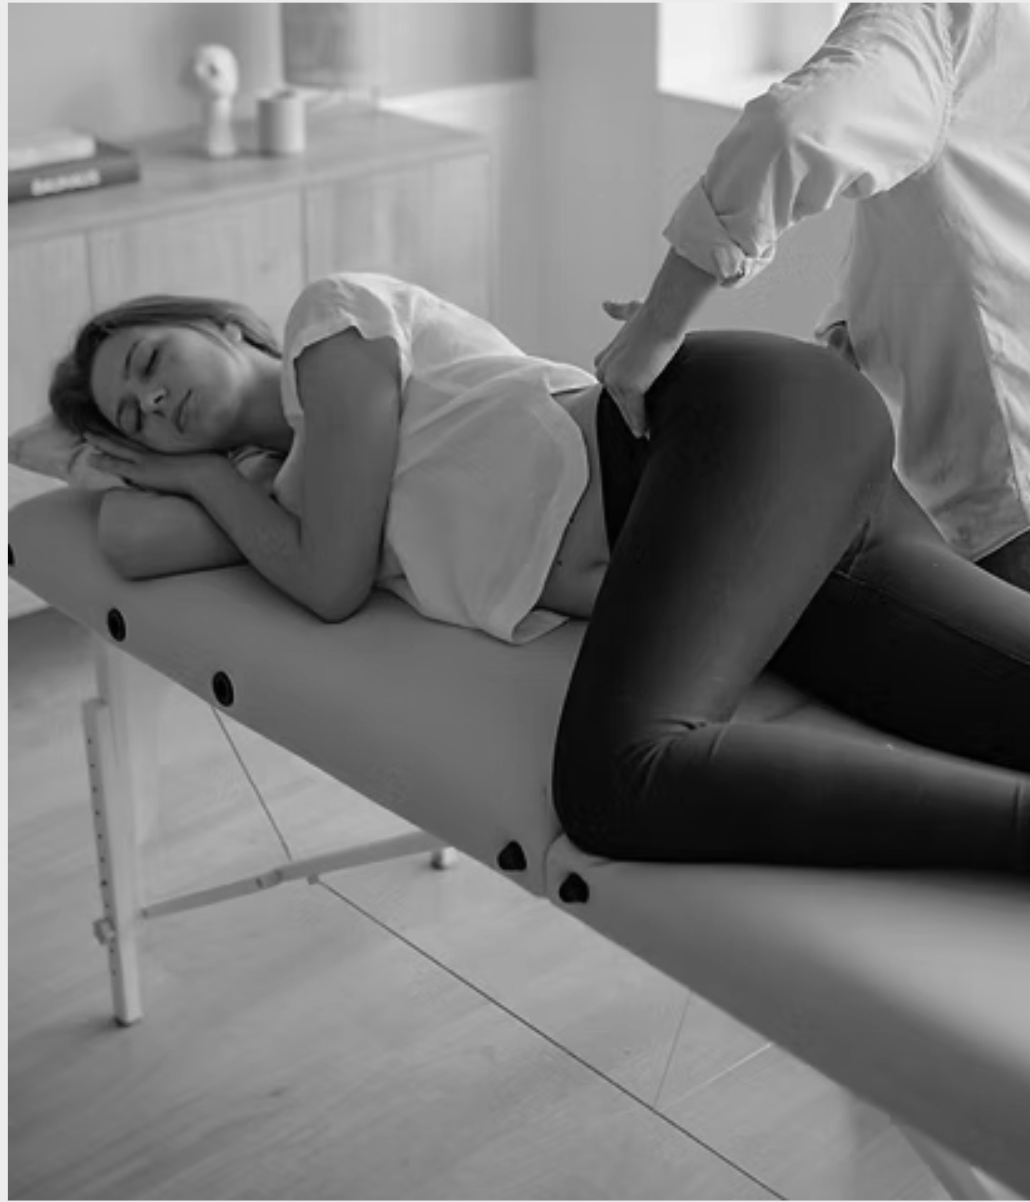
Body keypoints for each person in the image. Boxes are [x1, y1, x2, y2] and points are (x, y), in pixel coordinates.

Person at [50, 273, 1030, 874]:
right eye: (131, 418)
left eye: (147, 359)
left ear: (221, 325)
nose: (153, 400)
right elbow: (132, 540)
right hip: (746, 529)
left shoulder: (331, 331)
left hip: (716, 432)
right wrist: (201, 477)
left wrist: (203, 479)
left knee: (618, 778)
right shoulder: (285, 495)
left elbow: (331, 582)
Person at [596, 3, 1030, 591]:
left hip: (1007, 492)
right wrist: (852, 332)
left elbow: (792, 129)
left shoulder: (933, 19)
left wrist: (656, 327)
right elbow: (954, 212)